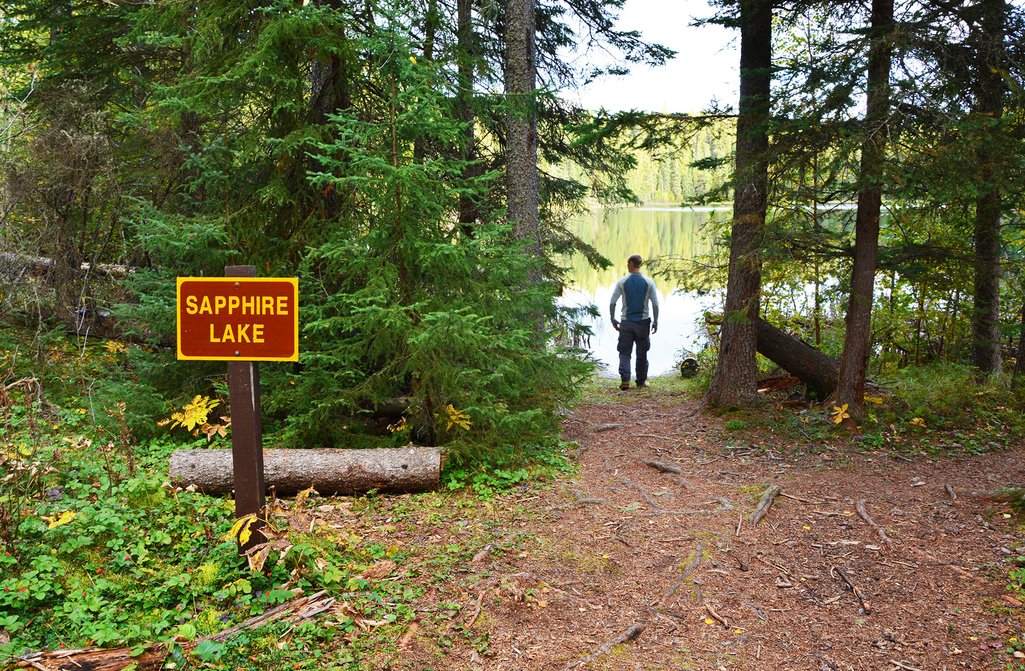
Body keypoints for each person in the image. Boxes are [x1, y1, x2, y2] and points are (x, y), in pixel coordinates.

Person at [609, 254, 659, 390]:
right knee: (642, 352)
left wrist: (613, 318)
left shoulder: (622, 282)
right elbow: (655, 304)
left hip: (626, 322)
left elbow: (613, 302)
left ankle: (625, 380)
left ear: (631, 264)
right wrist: (656, 321)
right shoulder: (649, 282)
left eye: (627, 263)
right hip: (643, 323)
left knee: (624, 352)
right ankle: (641, 381)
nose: (627, 265)